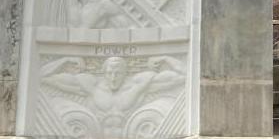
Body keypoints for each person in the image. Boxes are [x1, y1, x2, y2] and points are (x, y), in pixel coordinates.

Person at [41, 56, 184, 138]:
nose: (113, 77)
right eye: (110, 73)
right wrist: (64, 60)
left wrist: (167, 59)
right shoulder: (91, 85)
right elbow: (43, 77)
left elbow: (183, 76)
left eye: (118, 73)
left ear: (125, 73)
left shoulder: (138, 85)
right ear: (104, 72)